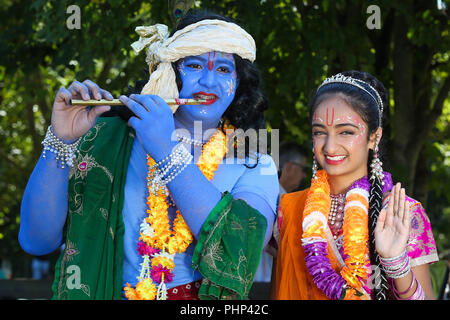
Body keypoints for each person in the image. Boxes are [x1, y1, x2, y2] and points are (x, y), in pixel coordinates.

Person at [19, 10, 279, 300]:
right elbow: (36, 241)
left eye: (222, 70)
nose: (208, 81)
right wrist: (60, 140)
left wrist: (166, 150)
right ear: (168, 71)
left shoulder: (255, 163)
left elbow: (240, 253)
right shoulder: (107, 138)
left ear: (240, 82)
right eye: (193, 65)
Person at [272, 71, 439, 300]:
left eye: (346, 132)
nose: (330, 146)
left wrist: (395, 262)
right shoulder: (290, 209)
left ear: (374, 137)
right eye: (320, 132)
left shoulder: (401, 213)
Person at [251, 141, 307, 293]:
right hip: (264, 284)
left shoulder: (258, 193)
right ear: (289, 167)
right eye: (303, 169)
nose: (304, 175)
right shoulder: (283, 203)